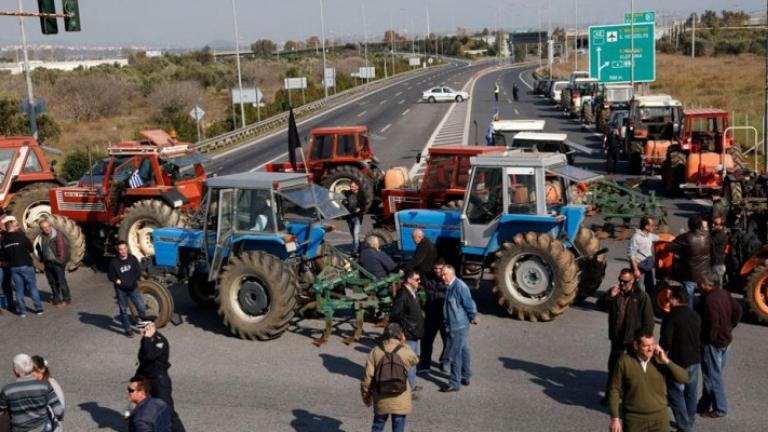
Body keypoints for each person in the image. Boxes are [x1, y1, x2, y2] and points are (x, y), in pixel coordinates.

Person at [607, 331, 689, 432]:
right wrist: (615, 418)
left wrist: (666, 361)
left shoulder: (659, 360)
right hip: (634, 420)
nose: (650, 349)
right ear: (636, 345)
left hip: (660, 419)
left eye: (653, 345)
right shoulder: (624, 362)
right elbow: (614, 390)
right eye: (646, 346)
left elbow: (684, 378)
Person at [597, 268, 655, 404]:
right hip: (617, 338)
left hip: (633, 340)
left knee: (634, 370)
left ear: (633, 280)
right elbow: (599, 305)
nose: (622, 284)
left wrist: (643, 340)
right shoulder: (615, 292)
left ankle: (633, 398)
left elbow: (648, 321)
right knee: (614, 367)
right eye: (620, 281)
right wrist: (609, 296)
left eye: (625, 282)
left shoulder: (641, 296)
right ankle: (610, 397)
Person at [696, 271, 742, 419]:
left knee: (713, 376)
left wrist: (707, 340)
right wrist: (730, 326)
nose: (698, 286)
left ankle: (720, 408)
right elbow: (738, 310)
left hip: (714, 343)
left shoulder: (710, 300)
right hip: (726, 339)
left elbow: (712, 323)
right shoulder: (724, 293)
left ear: (706, 284)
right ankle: (704, 404)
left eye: (699, 283)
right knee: (714, 374)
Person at [360, 323, 418, 432]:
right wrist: (404, 343)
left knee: (378, 425)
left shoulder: (375, 351)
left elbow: (368, 377)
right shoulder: (404, 351)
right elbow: (415, 359)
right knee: (398, 426)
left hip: (381, 395)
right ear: (400, 335)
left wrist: (366, 395)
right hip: (400, 395)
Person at [659, 285, 701, 432]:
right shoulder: (695, 315)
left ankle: (684, 426)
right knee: (691, 392)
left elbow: (666, 342)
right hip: (694, 359)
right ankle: (689, 420)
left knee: (675, 393)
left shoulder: (671, 317)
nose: (668, 299)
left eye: (670, 296)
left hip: (677, 361)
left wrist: (661, 359)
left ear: (676, 299)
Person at [135, 321, 185, 432]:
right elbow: (143, 362)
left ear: (150, 327)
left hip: (159, 382)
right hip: (147, 380)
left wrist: (147, 338)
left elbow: (148, 356)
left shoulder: (159, 341)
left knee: (167, 411)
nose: (140, 331)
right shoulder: (146, 338)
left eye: (143, 328)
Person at [439, 265, 479, 393]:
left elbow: (468, 302)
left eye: (444, 274)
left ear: (452, 273)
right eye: (441, 274)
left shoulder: (459, 286)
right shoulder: (450, 285)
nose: (442, 277)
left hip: (458, 326)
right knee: (464, 350)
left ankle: (454, 383)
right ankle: (466, 376)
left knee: (454, 354)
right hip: (457, 324)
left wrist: (473, 315)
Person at [0, 353, 64, 432]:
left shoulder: (7, 390)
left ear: (16, 371)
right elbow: (59, 411)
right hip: (43, 428)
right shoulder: (45, 385)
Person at [389, 271, 425, 395]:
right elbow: (394, 315)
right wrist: (400, 333)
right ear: (409, 280)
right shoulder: (403, 295)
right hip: (408, 334)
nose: (419, 281)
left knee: (413, 360)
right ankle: (408, 389)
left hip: (414, 333)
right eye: (417, 279)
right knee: (408, 362)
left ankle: (412, 385)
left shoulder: (412, 292)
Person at [666, 215, 711, 308]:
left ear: (689, 225)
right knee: (705, 297)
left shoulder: (686, 237)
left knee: (689, 297)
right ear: (700, 225)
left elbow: (669, 247)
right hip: (704, 273)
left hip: (690, 274)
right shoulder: (707, 236)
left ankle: (689, 317)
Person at [108, 241, 150, 338]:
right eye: (120, 249)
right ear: (118, 251)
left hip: (133, 288)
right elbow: (110, 275)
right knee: (123, 310)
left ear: (127, 249)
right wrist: (116, 280)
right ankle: (128, 329)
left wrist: (135, 279)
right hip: (121, 290)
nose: (123, 251)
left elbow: (137, 271)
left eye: (124, 249)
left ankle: (142, 327)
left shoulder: (132, 259)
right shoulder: (114, 262)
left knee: (141, 308)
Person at [1, 218, 43, 318]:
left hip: (13, 267)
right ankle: (38, 308)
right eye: (17, 225)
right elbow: (31, 248)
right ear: (13, 227)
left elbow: (3, 255)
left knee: (19, 289)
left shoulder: (3, 240)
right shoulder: (21, 236)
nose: (18, 227)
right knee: (32, 287)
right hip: (26, 265)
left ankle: (22, 311)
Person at [417, 259, 448, 373]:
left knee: (448, 341)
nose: (437, 271)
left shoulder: (448, 279)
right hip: (431, 315)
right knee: (426, 341)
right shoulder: (427, 277)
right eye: (435, 268)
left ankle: (445, 362)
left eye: (440, 269)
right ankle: (425, 364)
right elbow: (417, 278)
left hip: (445, 317)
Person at [34, 219, 71, 307]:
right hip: (47, 263)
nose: (47, 229)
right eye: (44, 228)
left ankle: (66, 299)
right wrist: (41, 258)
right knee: (52, 282)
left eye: (48, 227)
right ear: (41, 229)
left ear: (50, 226)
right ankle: (56, 298)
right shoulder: (40, 237)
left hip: (56, 263)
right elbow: (39, 248)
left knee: (61, 281)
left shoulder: (57, 235)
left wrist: (60, 261)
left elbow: (61, 249)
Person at [30, 356, 65, 432]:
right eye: (29, 372)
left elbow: (59, 410)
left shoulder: (51, 385)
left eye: (34, 372)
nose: (31, 375)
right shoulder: (35, 384)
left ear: (42, 370)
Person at [627, 217, 659, 295]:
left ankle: (649, 304)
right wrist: (635, 270)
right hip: (639, 266)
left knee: (650, 286)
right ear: (646, 226)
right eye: (652, 225)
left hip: (647, 265)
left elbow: (660, 237)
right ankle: (636, 304)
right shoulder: (636, 237)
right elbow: (631, 254)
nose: (654, 227)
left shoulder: (650, 235)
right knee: (639, 288)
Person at [342, 181, 367, 254]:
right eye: (350, 186)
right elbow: (344, 203)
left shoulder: (361, 195)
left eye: (352, 186)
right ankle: (359, 248)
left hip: (357, 217)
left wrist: (359, 209)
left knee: (356, 233)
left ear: (357, 187)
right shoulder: (347, 193)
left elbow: (364, 206)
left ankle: (355, 251)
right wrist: (344, 202)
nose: (351, 188)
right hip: (349, 217)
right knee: (353, 234)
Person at [710, 215, 728, 288]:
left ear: (722, 226)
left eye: (715, 223)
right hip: (715, 264)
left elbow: (709, 242)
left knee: (717, 288)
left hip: (718, 265)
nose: (713, 225)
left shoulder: (720, 235)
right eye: (713, 223)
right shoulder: (715, 233)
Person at [0, 216, 14, 314]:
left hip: (5, 264)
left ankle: (10, 304)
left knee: (7, 285)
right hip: (1, 264)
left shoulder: (4, 235)